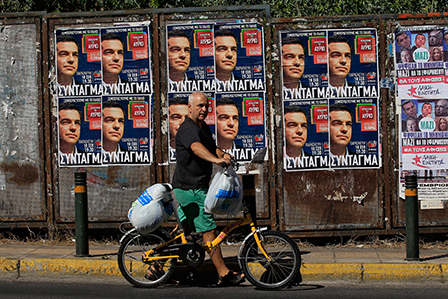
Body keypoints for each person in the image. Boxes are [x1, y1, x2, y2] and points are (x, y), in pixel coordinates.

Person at [172, 91, 245, 286]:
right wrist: (216, 160)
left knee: (184, 228)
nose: (204, 109)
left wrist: (224, 155)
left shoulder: (202, 127)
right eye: (200, 106)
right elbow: (196, 147)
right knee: (208, 230)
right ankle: (224, 274)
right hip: (191, 188)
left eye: (206, 106)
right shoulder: (188, 128)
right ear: (190, 108)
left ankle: (157, 267)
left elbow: (212, 147)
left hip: (193, 186)